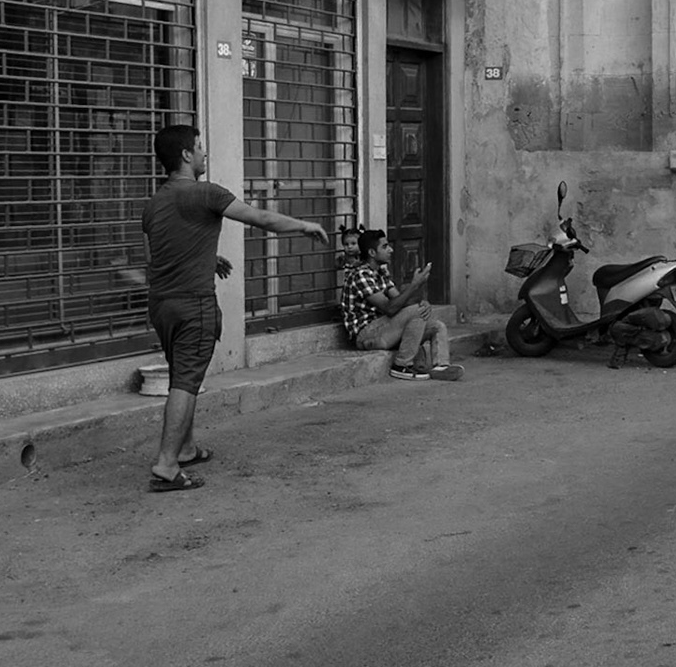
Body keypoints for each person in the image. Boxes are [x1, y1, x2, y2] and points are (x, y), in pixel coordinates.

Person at [140, 124, 329, 492]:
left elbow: (155, 259)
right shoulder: (206, 193)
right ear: (185, 155)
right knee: (185, 382)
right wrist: (304, 225)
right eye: (199, 147)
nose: (204, 152)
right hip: (194, 303)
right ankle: (166, 464)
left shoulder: (153, 205)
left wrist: (207, 258)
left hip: (162, 305)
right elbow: (261, 219)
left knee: (184, 375)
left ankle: (186, 448)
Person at [339, 228, 462, 381]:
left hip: (386, 330)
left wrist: (422, 302)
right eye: (384, 247)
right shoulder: (361, 275)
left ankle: (441, 366)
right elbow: (389, 308)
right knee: (416, 312)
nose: (390, 250)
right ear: (371, 253)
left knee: (437, 326)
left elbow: (399, 301)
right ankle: (401, 365)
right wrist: (414, 285)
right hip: (367, 334)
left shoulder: (381, 273)